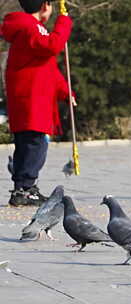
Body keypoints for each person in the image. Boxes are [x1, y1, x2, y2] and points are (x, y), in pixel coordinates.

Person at [2, 0, 74, 206]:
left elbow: (47, 67)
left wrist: (65, 91)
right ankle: (25, 188)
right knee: (35, 144)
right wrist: (64, 23)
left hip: (28, 97)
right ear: (45, 6)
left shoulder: (27, 28)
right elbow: (53, 45)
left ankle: (22, 188)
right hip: (33, 98)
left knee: (27, 144)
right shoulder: (30, 28)